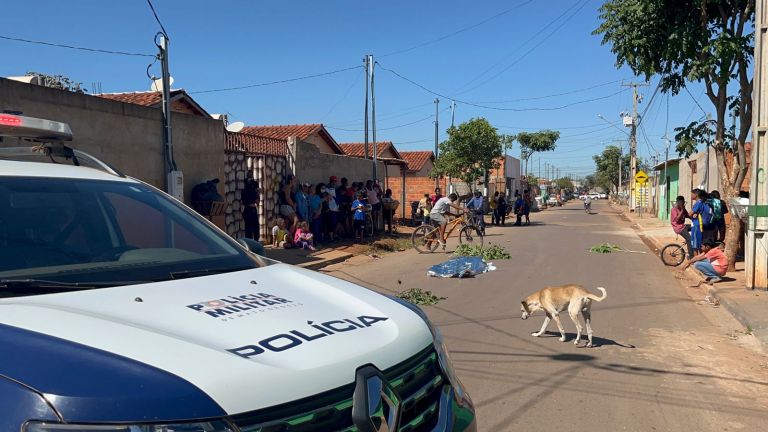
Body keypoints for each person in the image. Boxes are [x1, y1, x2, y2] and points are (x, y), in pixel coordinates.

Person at [671, 195, 694, 260]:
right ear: (677, 202)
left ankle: (693, 246)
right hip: (678, 228)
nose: (682, 204)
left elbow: (688, 216)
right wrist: (682, 210)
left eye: (683, 202)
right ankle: (691, 256)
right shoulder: (674, 209)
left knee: (694, 227)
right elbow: (677, 219)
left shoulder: (683, 209)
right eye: (681, 202)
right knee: (689, 239)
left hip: (683, 226)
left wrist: (695, 218)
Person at [690, 189, 714, 253]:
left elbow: (690, 214)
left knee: (695, 246)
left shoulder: (698, 203)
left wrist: (691, 215)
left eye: (692, 194)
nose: (691, 195)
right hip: (698, 225)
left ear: (696, 195)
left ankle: (696, 261)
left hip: (696, 225)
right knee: (698, 244)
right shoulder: (701, 202)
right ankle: (699, 260)